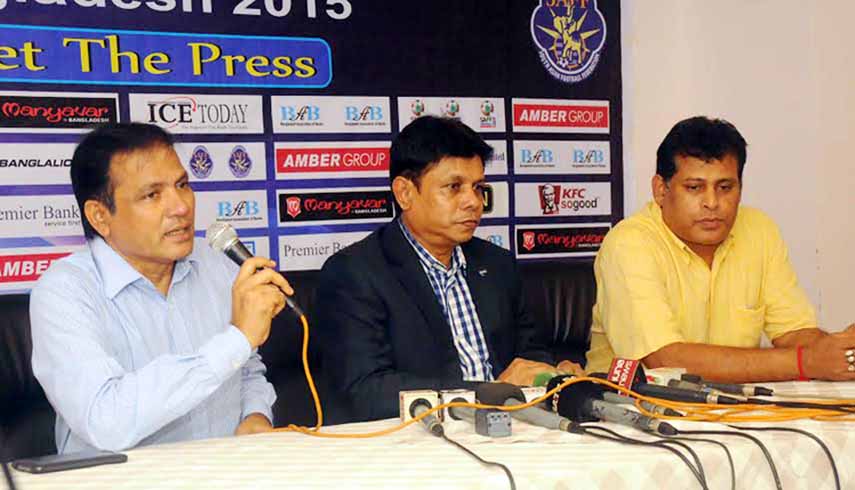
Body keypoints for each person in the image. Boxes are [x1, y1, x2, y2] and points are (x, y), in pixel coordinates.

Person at [30, 123, 293, 453]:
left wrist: (255, 415)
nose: (181, 207)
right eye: (152, 195)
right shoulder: (65, 292)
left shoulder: (216, 266)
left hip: (227, 474)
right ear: (100, 216)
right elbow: (106, 420)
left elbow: (246, 367)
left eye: (182, 185)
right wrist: (236, 340)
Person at [316, 116, 581, 422]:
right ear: (405, 193)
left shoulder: (498, 265)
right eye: (454, 187)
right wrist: (486, 392)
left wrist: (550, 374)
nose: (473, 202)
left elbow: (529, 355)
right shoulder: (354, 273)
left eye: (478, 187)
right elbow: (366, 392)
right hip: (416, 444)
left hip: (514, 429)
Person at [586, 116, 855, 381]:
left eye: (725, 187)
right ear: (660, 189)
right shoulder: (629, 244)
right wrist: (804, 362)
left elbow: (795, 333)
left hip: (736, 407)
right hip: (630, 412)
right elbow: (665, 360)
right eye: (694, 188)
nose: (712, 203)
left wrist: (840, 349)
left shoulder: (759, 230)